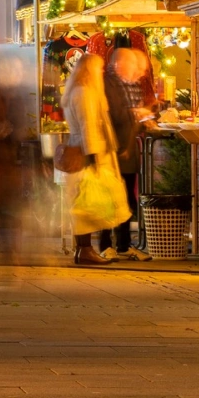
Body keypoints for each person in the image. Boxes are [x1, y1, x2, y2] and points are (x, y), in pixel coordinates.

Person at [61, 52, 120, 266]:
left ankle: (82, 249)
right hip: (86, 153)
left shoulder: (75, 91)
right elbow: (88, 126)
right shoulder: (85, 93)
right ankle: (85, 249)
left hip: (78, 150)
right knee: (88, 204)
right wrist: (93, 156)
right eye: (99, 68)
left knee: (82, 204)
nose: (102, 72)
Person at [101, 45, 154, 261]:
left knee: (124, 201)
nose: (138, 71)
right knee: (109, 199)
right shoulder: (109, 84)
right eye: (133, 64)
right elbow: (112, 115)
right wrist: (135, 115)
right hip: (114, 150)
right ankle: (106, 244)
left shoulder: (129, 85)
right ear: (121, 64)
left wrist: (142, 118)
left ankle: (123, 244)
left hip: (127, 151)